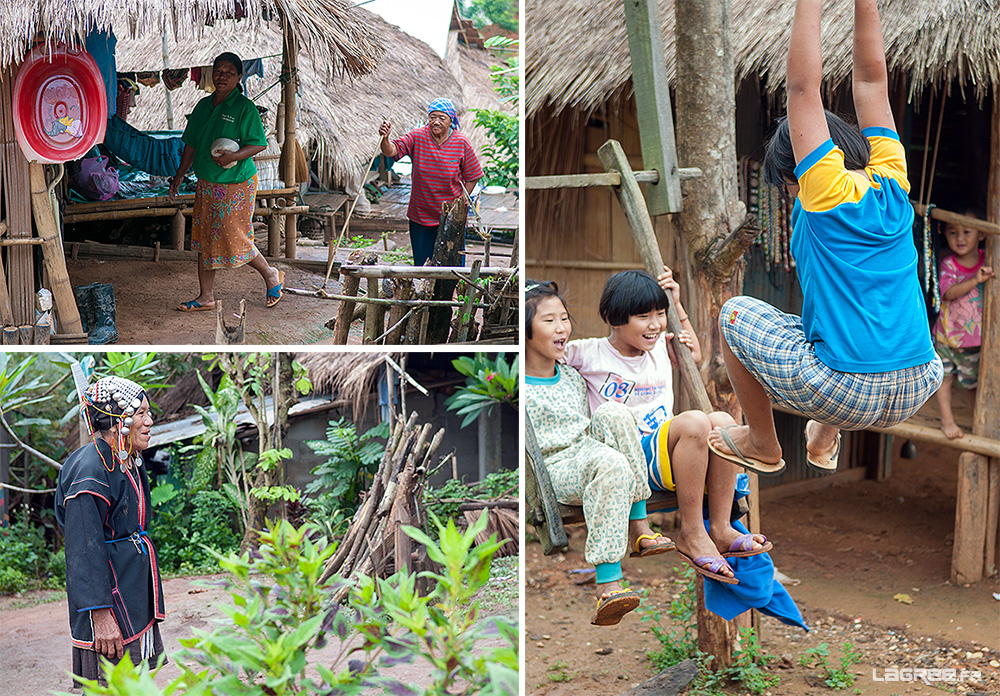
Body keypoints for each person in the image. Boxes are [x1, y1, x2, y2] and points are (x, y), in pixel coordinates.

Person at [708, 0, 942, 474]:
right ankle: (822, 438)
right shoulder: (894, 182)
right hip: (921, 378)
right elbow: (873, 80)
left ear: (800, 174)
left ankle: (761, 443)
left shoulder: (824, 190)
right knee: (828, 324)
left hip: (847, 390)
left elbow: (802, 88)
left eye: (791, 185)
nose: (794, 195)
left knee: (734, 315)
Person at [565, 268, 772, 585]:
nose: (655, 324)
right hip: (629, 463)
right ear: (613, 317)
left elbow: (695, 356)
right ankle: (692, 532)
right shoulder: (588, 353)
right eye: (643, 316)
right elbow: (542, 355)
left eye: (660, 314)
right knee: (695, 420)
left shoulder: (661, 344)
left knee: (723, 423)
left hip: (677, 458)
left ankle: (719, 526)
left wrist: (678, 309)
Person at [524, 280, 675, 626]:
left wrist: (675, 318)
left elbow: (622, 361)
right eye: (549, 321)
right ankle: (608, 582)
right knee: (610, 465)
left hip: (588, 450)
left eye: (564, 318)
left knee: (614, 411)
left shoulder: (572, 375)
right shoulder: (520, 383)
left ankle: (639, 524)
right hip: (555, 469)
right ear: (526, 332)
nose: (561, 327)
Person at [54, 376, 164, 688]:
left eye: (147, 412)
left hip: (131, 588)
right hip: (107, 600)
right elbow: (83, 551)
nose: (149, 421)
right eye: (141, 414)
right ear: (118, 422)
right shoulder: (90, 472)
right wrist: (100, 615)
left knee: (136, 683)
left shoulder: (127, 459)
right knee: (109, 685)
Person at [168, 52, 284, 312]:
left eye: (229, 72)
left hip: (236, 183)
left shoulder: (245, 108)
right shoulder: (202, 107)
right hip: (207, 183)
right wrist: (179, 176)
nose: (222, 76)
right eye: (218, 71)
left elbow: (258, 143)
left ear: (239, 77)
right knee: (204, 238)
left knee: (235, 237)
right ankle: (205, 296)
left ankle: (270, 274)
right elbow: (191, 145)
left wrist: (234, 156)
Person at [378, 99, 483, 266]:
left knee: (451, 262)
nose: (436, 122)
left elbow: (473, 175)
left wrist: (463, 199)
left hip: (451, 216)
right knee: (423, 263)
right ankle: (425, 291)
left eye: (442, 118)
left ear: (452, 120)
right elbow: (392, 150)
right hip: (421, 212)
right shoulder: (417, 136)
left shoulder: (460, 142)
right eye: (432, 117)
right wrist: (385, 138)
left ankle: (452, 292)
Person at [932, 211, 995, 439]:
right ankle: (947, 421)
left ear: (981, 234)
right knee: (944, 379)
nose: (960, 238)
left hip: (975, 343)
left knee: (973, 385)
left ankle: (981, 421)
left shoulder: (990, 259)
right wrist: (976, 280)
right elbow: (948, 292)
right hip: (946, 337)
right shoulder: (948, 264)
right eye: (952, 232)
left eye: (966, 232)